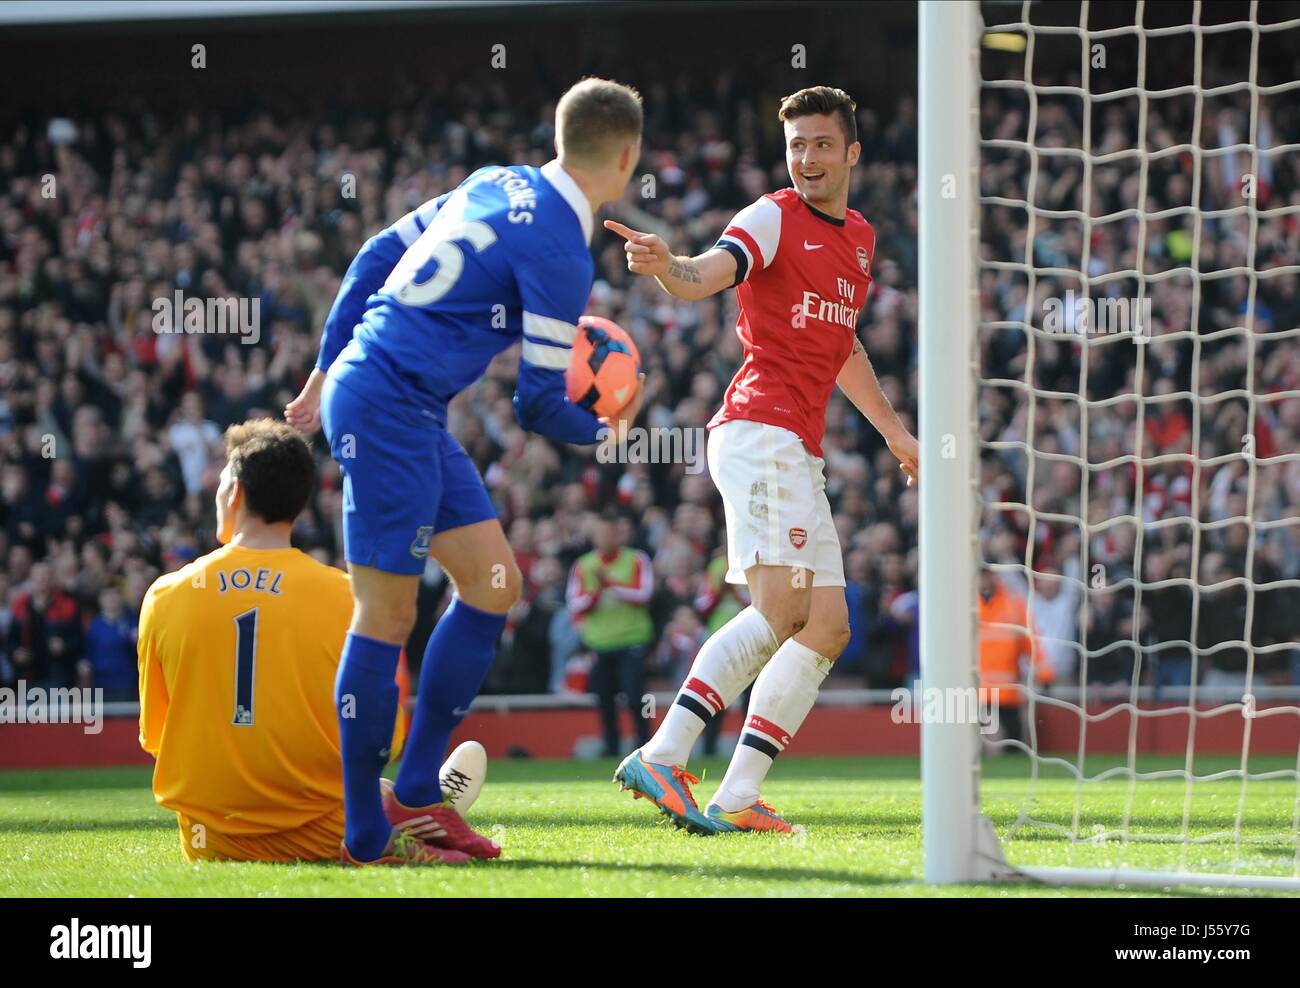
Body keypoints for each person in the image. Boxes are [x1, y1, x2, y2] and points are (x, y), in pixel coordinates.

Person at [284, 77, 645, 864]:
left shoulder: (494, 181)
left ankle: (416, 797)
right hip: (387, 405)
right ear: (628, 156)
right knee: (385, 618)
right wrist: (608, 430)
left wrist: (323, 366)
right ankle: (365, 835)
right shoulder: (561, 248)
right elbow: (539, 405)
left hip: (397, 401)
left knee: (492, 585)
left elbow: (377, 253)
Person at [606, 86, 919, 833]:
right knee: (782, 612)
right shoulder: (771, 216)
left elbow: (841, 346)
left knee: (829, 625)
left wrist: (895, 434)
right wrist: (666, 266)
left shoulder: (862, 241)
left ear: (851, 153)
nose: (806, 159)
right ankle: (666, 751)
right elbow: (708, 274)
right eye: (795, 146)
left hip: (792, 447)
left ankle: (737, 796)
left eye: (819, 144)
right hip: (760, 431)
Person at [137, 420, 433, 864]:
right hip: (328, 834)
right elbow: (384, 740)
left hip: (212, 842)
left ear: (234, 492)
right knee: (382, 789)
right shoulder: (350, 598)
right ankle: (408, 814)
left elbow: (157, 736)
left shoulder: (165, 596)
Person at [566, 515, 655, 756]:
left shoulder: (636, 559)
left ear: (618, 536)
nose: (605, 539)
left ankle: (644, 746)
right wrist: (596, 594)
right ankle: (611, 747)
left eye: (609, 534)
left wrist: (610, 583)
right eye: (600, 535)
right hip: (599, 642)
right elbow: (574, 604)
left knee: (635, 696)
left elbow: (644, 594)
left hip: (632, 639)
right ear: (594, 538)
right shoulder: (582, 565)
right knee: (604, 699)